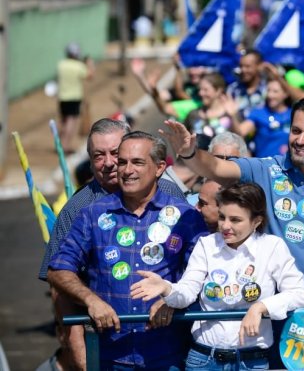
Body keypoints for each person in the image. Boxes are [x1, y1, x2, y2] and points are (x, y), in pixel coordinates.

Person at [160, 97, 304, 366]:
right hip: (260, 324)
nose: (300, 140)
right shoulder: (265, 168)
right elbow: (217, 167)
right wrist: (190, 153)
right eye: (296, 130)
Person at [48, 131, 208, 368]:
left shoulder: (185, 215)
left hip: (169, 356)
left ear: (160, 167)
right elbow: (58, 269)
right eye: (122, 162)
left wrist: (175, 299)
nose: (126, 170)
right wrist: (91, 300)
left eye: (138, 162)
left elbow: (208, 270)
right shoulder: (93, 214)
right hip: (109, 357)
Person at [131, 183, 304, 370]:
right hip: (204, 359)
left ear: (256, 221)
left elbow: (299, 293)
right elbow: (187, 292)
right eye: (222, 217)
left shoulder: (272, 246)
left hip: (252, 360)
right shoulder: (206, 245)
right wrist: (167, 288)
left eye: (235, 220)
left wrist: (261, 307)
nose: (225, 226)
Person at [237, 78, 292, 157]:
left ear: (285, 94)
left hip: (287, 166)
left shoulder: (293, 114)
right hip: (263, 165)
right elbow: (240, 132)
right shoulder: (259, 113)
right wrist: (232, 115)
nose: (270, 95)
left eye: (275, 91)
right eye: (268, 90)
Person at [57, 42, 95, 153]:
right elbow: (90, 76)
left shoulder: (61, 64)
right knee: (71, 122)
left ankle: (59, 143)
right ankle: (64, 146)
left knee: (63, 122)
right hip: (74, 97)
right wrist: (90, 64)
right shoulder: (79, 66)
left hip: (62, 97)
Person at [226, 50, 267, 120]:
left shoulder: (268, 88)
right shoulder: (233, 89)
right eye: (241, 66)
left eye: (247, 66)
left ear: (259, 66)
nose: (243, 70)